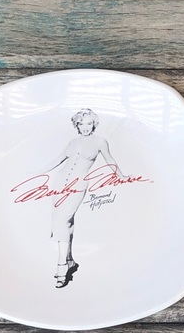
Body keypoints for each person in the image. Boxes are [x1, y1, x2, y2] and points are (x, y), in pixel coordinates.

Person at [42, 109, 125, 288]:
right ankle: (70, 261)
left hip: (78, 184)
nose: (85, 127)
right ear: (77, 125)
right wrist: (36, 172)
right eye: (81, 123)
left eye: (89, 123)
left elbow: (110, 160)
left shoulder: (100, 141)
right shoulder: (72, 142)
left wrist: (122, 176)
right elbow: (57, 160)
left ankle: (61, 267)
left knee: (62, 220)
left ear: (94, 124)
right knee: (66, 222)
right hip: (60, 182)